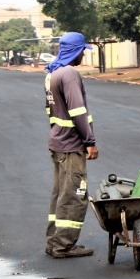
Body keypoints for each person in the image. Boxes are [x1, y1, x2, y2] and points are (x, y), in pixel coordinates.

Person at [44, 31, 99, 258]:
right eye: (82, 52)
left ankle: (53, 242)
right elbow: (77, 111)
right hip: (71, 145)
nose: (83, 57)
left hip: (58, 143)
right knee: (75, 195)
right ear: (75, 51)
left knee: (60, 195)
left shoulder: (52, 73)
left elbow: (50, 111)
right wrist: (89, 141)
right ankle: (64, 245)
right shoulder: (69, 74)